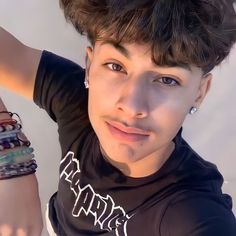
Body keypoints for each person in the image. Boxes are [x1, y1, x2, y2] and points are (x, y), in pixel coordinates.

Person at [0, 0, 236, 235]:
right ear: (90, 66)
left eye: (167, 80)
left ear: (199, 92)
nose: (131, 106)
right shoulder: (75, 100)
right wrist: (9, 157)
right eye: (115, 66)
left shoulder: (194, 212)